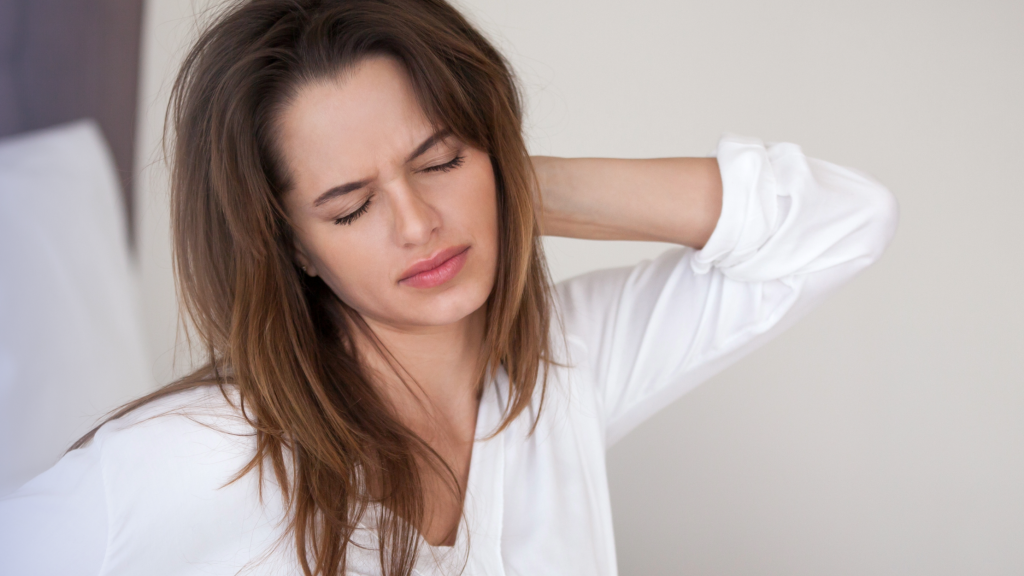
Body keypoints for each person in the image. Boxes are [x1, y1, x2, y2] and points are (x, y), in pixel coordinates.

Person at [0, 0, 899, 574]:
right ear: (295, 248)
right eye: (350, 206)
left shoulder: (565, 373)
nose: (418, 225)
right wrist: (459, 172)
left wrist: (506, 180)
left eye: (438, 158)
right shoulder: (190, 461)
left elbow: (837, 223)